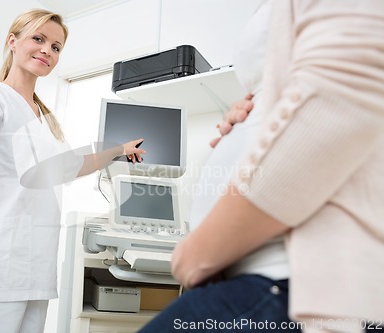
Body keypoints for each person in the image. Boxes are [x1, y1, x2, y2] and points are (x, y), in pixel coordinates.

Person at [140, 0, 384, 332]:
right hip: (266, 276)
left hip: (292, 282)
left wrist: (198, 253)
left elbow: (337, 105)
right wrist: (260, 111)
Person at [0, 9, 145, 333]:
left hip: (35, 275)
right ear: (13, 42)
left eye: (56, 47)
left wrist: (119, 150)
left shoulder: (44, 121)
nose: (48, 50)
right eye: (39, 39)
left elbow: (72, 167)